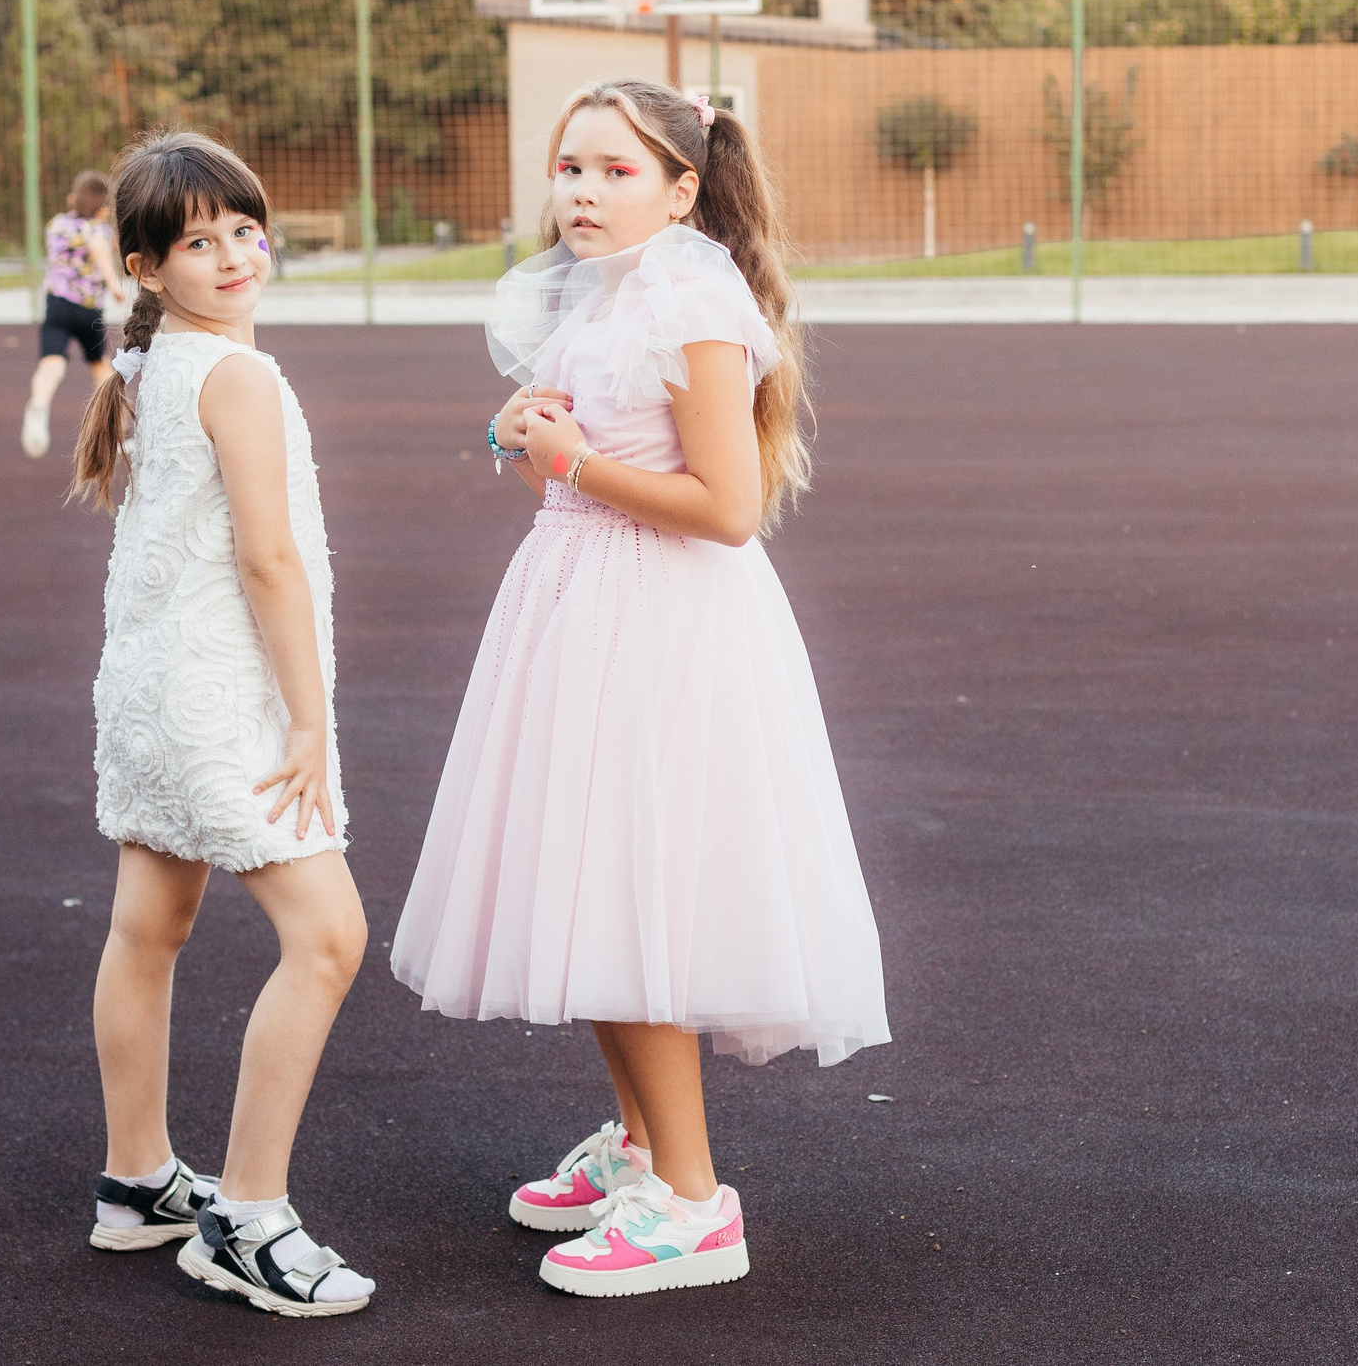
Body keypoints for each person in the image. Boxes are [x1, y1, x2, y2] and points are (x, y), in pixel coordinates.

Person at [390, 79, 891, 1298]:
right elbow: (569, 475)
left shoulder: (689, 298)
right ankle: (642, 1148)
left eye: (616, 172)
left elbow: (727, 510)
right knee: (590, 885)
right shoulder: (594, 292)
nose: (581, 192)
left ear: (681, 188)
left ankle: (692, 1202)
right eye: (569, 168)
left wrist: (570, 457)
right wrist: (529, 442)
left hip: (662, 623)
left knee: (634, 889)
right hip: (580, 606)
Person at [69, 130, 373, 1319]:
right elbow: (269, 557)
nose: (237, 255)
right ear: (148, 268)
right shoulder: (236, 375)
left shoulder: (149, 368)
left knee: (149, 925)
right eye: (201, 243)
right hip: (216, 697)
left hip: (146, 690)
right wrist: (309, 720)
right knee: (329, 937)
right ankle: (247, 1216)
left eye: (246, 230)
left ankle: (138, 1181)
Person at [22, 170, 127, 460]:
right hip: (88, 311)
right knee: (101, 369)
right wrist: (115, 284)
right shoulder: (99, 231)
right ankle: (117, 433)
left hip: (57, 305)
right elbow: (99, 249)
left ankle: (40, 402)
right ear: (104, 209)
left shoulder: (57, 225)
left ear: (72, 199)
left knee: (51, 362)